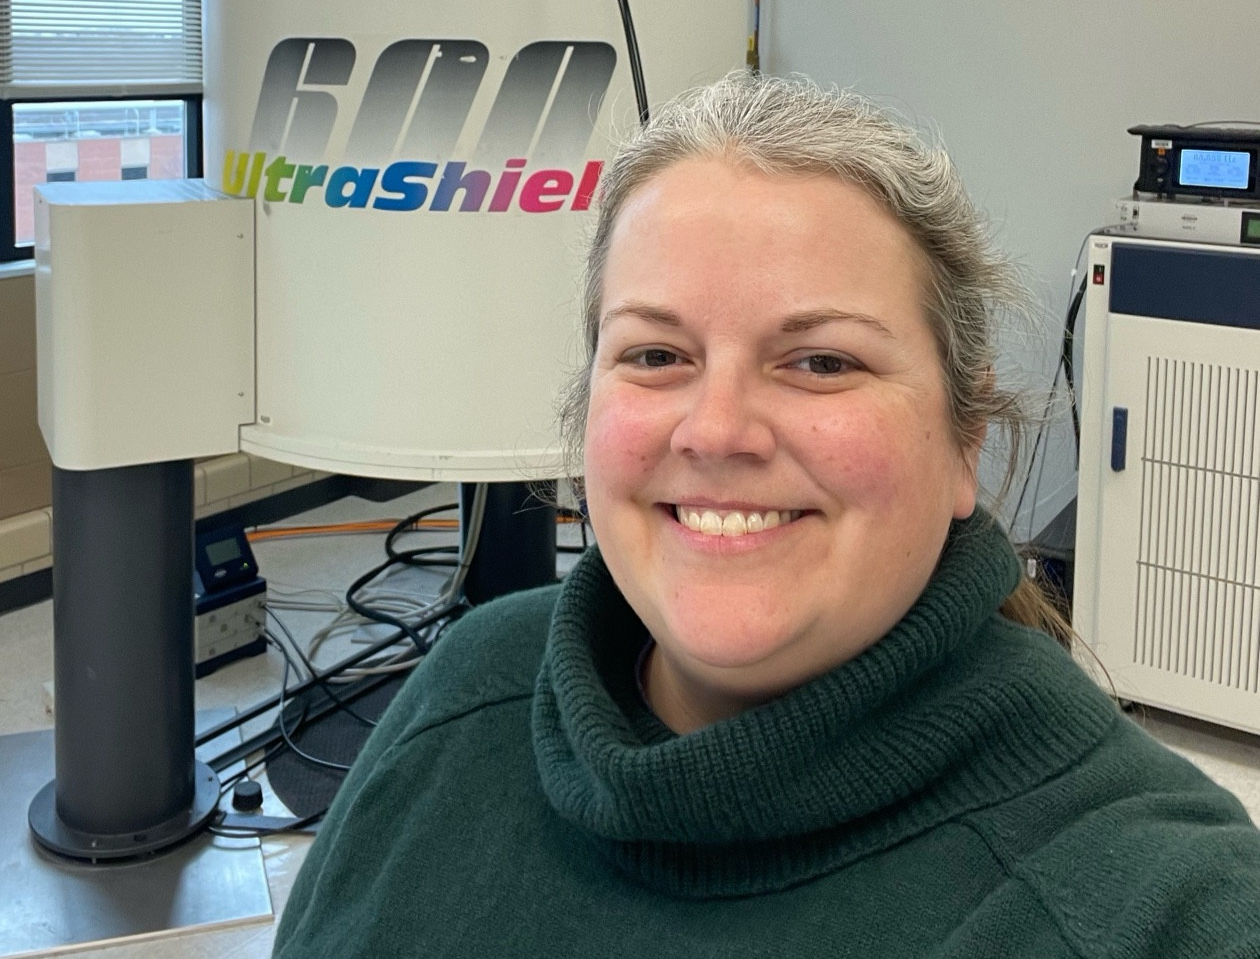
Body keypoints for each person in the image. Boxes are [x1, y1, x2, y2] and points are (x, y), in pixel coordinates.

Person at [274, 73, 1260, 957]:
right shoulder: (469, 686)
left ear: (967, 438)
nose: (717, 430)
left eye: (822, 360)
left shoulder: (1152, 896)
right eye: (656, 354)